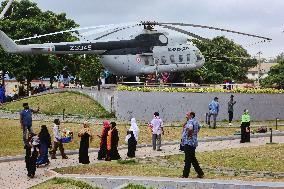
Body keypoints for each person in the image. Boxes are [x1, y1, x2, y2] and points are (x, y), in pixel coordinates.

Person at [181, 112, 204, 178]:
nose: (186, 116)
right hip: (193, 142)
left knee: (187, 159)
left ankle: (185, 175)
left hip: (188, 143)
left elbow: (190, 128)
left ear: (191, 115)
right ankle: (200, 173)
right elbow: (199, 127)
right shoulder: (195, 121)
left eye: (187, 115)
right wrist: (194, 134)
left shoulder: (190, 121)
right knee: (193, 159)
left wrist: (190, 135)